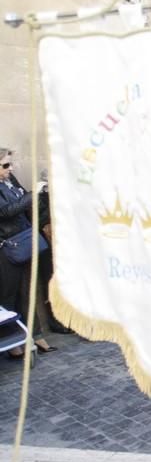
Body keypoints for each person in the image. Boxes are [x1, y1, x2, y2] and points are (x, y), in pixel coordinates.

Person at [0, 148, 56, 356]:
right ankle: (12, 344)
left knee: (27, 293)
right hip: (8, 247)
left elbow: (22, 200)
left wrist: (37, 194)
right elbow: (5, 212)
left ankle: (35, 336)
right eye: (5, 165)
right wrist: (34, 193)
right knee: (8, 296)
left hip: (23, 241)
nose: (10, 168)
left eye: (10, 164)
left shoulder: (9, 179)